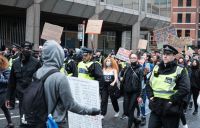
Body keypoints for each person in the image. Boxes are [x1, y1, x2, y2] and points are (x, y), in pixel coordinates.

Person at [35, 40, 100, 127]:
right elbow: (70, 105)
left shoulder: (37, 73)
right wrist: (90, 111)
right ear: (58, 55)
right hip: (55, 122)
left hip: (39, 120)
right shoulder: (60, 78)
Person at [146, 44, 190, 128]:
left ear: (174, 56)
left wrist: (171, 101)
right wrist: (150, 97)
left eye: (168, 54)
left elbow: (185, 88)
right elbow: (149, 83)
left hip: (171, 109)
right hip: (156, 107)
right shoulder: (156, 68)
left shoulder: (180, 70)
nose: (165, 56)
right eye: (164, 54)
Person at [6, 41, 41, 127]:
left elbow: (40, 81)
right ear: (21, 49)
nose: (28, 50)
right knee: (23, 120)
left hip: (33, 99)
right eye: (26, 48)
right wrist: (8, 98)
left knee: (32, 122)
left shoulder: (36, 63)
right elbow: (11, 82)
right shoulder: (15, 63)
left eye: (29, 49)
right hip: (21, 97)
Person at [121, 53, 143, 128]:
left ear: (137, 59)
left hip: (135, 93)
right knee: (126, 111)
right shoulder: (127, 67)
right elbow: (122, 78)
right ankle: (136, 121)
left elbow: (141, 83)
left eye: (134, 57)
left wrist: (140, 95)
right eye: (131, 57)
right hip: (126, 92)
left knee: (131, 110)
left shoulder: (140, 69)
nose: (133, 59)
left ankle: (129, 126)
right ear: (129, 59)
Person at [0, 55, 14, 128]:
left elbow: (8, 81)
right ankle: (10, 123)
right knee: (5, 109)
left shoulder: (6, 69)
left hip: (3, 92)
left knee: (4, 108)